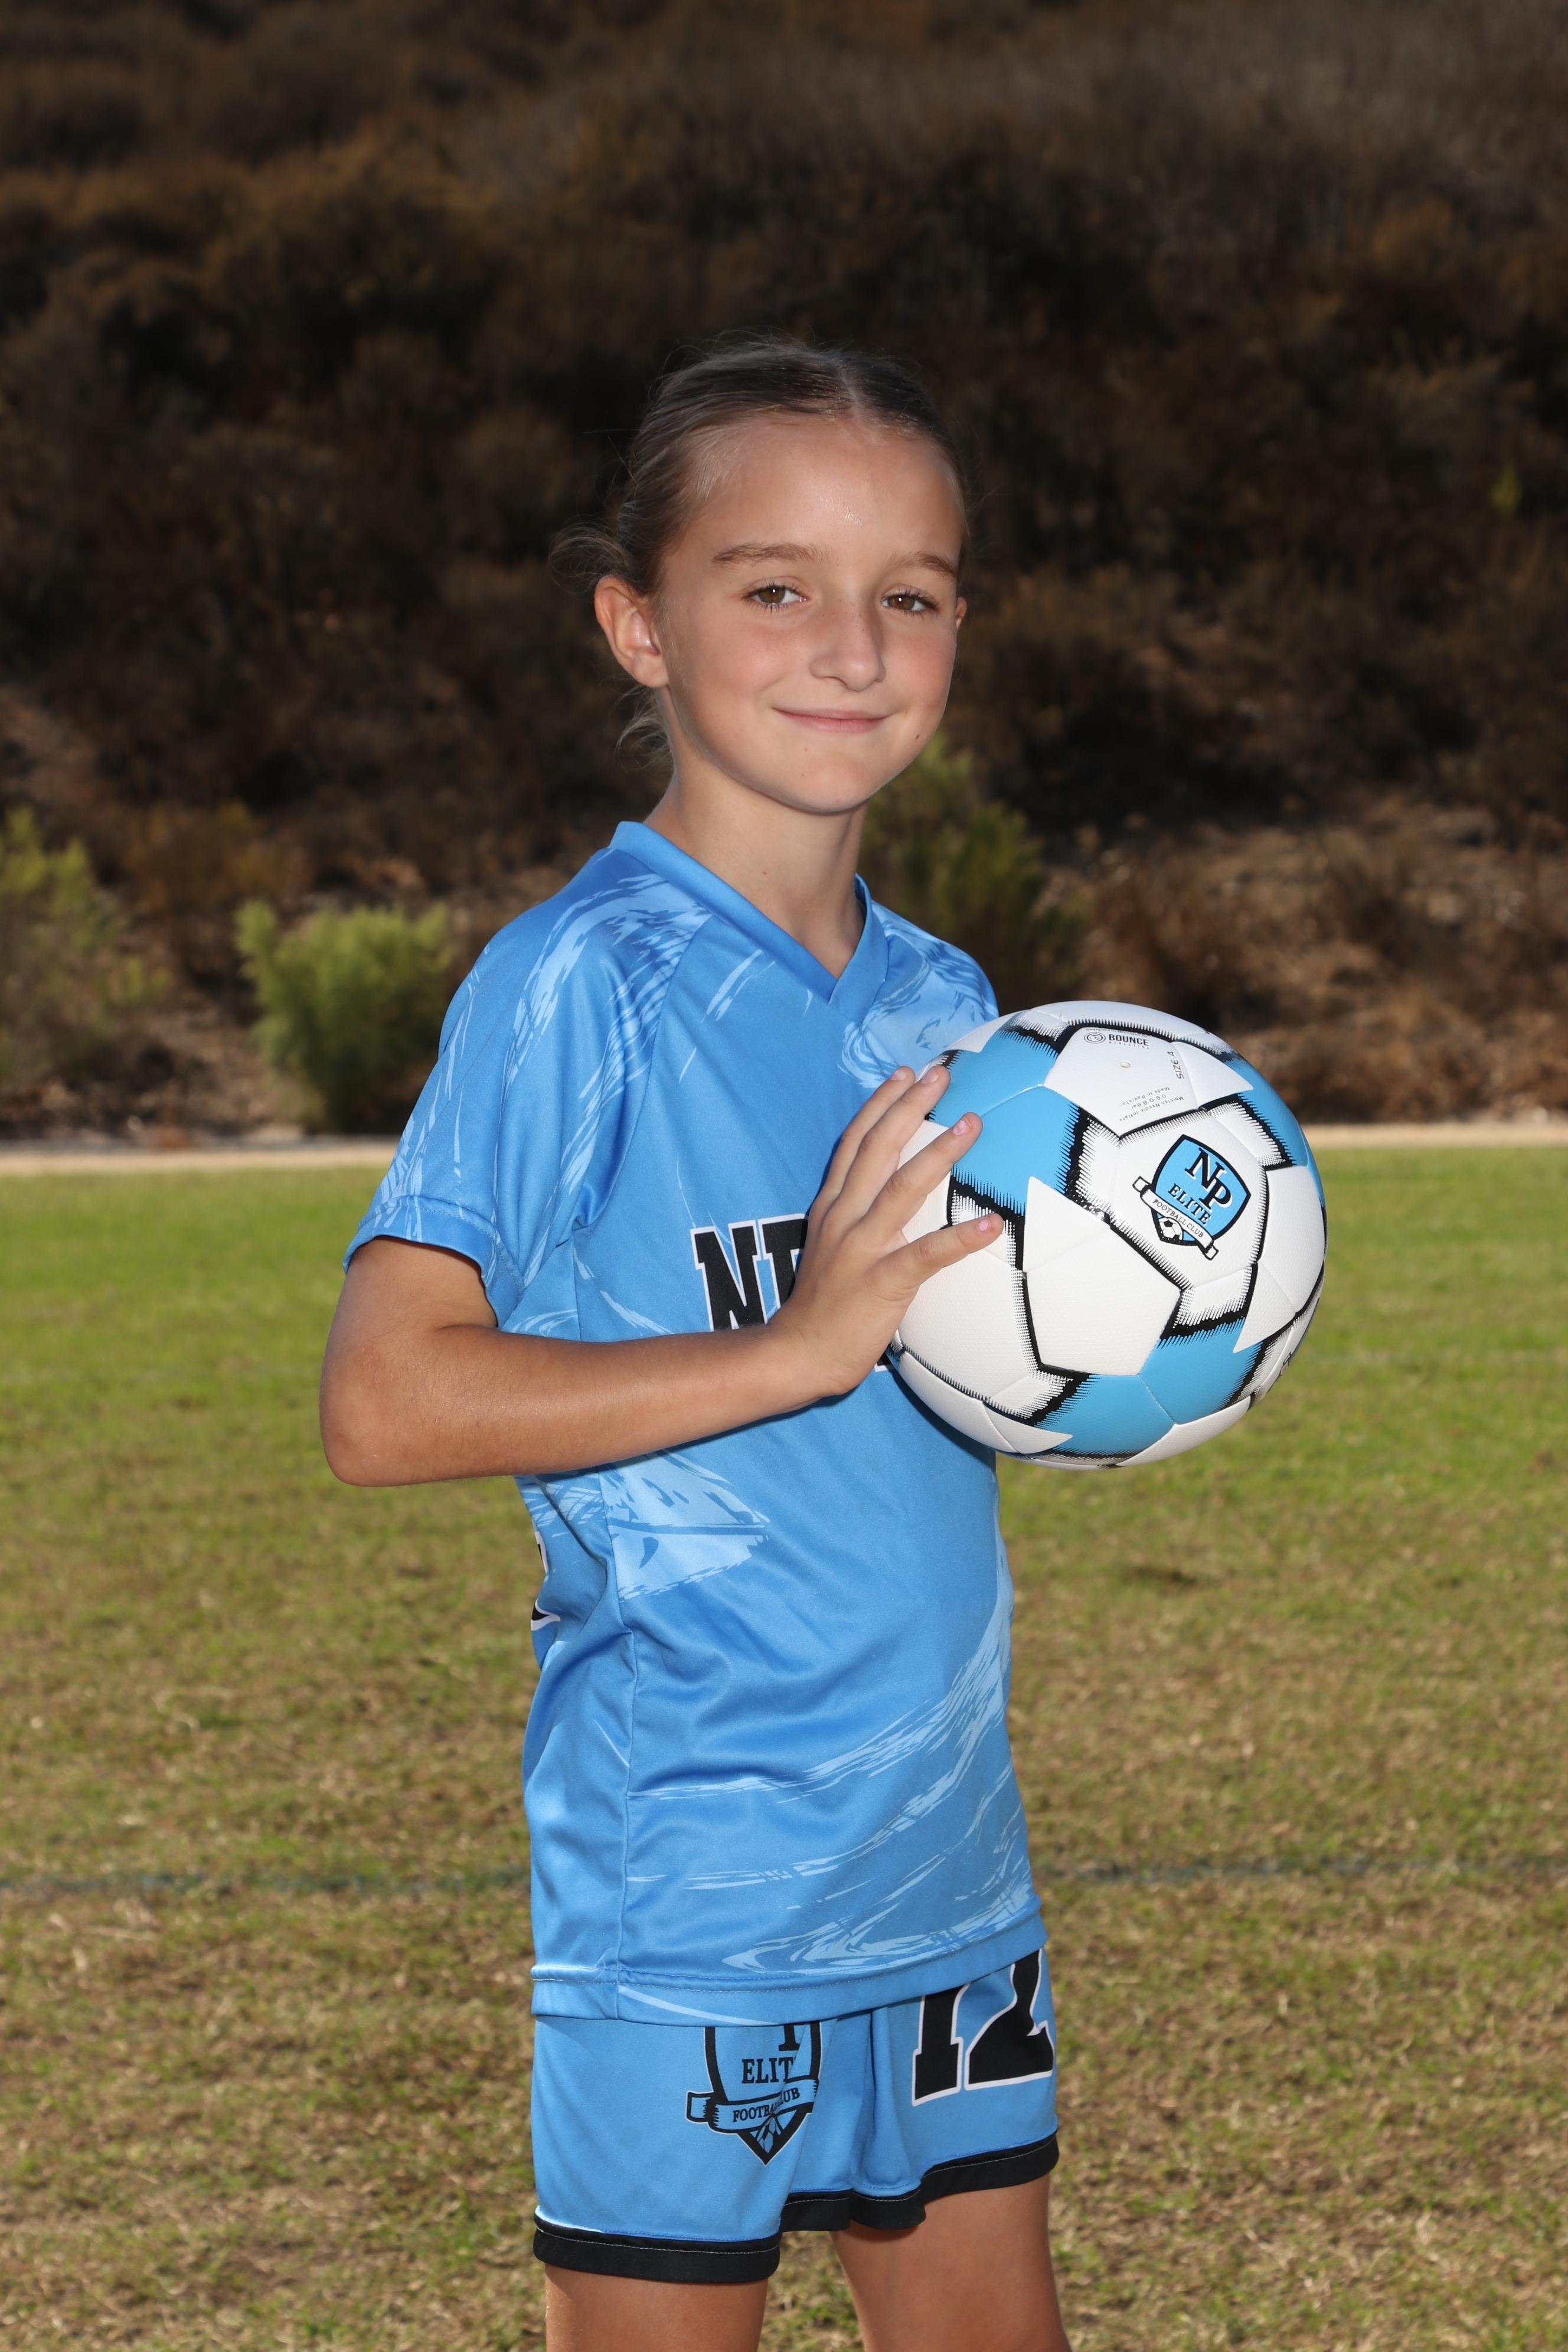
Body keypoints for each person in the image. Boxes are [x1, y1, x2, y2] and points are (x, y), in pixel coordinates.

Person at [320, 337, 1072, 2352]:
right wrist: (795, 1347)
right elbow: (384, 1397)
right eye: (776, 586)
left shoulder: (949, 1007)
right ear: (637, 625)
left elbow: (946, 1385)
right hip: (693, 1899)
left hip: (946, 1873)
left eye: (912, 593)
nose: (855, 647)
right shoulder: (578, 984)